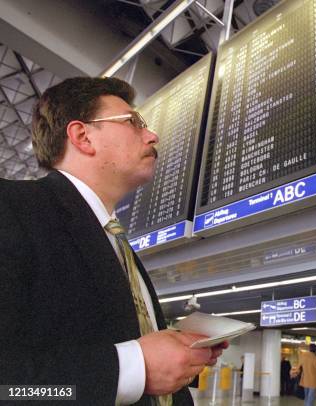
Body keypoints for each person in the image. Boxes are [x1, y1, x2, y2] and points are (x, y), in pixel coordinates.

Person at [0, 77, 228, 405]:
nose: (152, 135)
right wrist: (130, 368)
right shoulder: (9, 208)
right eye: (133, 122)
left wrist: (175, 354)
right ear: (82, 136)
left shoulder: (116, 242)